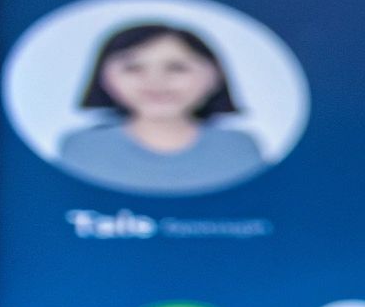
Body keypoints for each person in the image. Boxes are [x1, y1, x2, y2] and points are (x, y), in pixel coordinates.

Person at [57, 23, 266, 195]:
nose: (156, 81)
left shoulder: (240, 148)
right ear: (104, 77)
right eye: (134, 68)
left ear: (215, 75)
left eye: (176, 67)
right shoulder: (81, 148)